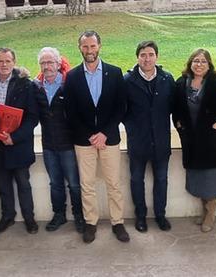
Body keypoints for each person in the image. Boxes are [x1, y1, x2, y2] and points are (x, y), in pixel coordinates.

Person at [64, 30, 129, 243]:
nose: (89, 50)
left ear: (99, 46)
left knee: (113, 183)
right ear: (79, 48)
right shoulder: (72, 76)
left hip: (109, 138)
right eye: (85, 46)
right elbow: (70, 112)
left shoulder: (115, 72)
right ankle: (90, 223)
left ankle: (117, 222)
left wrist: (104, 133)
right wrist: (91, 136)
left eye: (92, 46)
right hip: (84, 141)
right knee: (87, 184)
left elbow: (121, 107)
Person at [0, 48, 40, 234]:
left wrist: (14, 137)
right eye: (0, 61)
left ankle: (30, 218)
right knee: (3, 185)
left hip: (18, 144)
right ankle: (8, 217)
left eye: (7, 61)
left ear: (14, 62)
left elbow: (32, 117)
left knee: (23, 184)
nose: (4, 65)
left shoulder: (25, 85)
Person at [172, 49, 216, 233]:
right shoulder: (181, 83)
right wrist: (179, 124)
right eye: (196, 61)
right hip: (191, 139)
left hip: (211, 139)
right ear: (190, 63)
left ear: (209, 65)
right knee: (198, 177)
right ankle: (204, 211)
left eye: (203, 61)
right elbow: (175, 107)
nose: (199, 64)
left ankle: (211, 214)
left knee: (211, 178)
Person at [123, 41, 175, 233]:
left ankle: (160, 215)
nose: (147, 59)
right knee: (137, 180)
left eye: (151, 54)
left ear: (157, 57)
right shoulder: (127, 80)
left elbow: (174, 107)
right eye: (143, 55)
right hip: (138, 141)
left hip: (161, 141)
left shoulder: (167, 78)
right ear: (138, 57)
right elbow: (122, 110)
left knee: (161, 179)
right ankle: (141, 216)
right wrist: (132, 129)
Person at [34, 47, 85, 233]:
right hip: (48, 145)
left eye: (50, 62)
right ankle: (59, 215)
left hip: (68, 144)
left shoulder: (67, 84)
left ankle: (79, 215)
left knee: (74, 183)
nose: (47, 66)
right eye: (43, 63)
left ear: (58, 64)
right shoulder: (36, 86)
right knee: (55, 183)